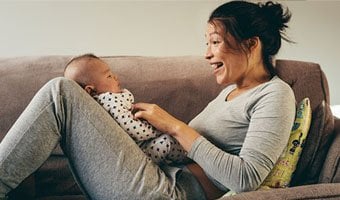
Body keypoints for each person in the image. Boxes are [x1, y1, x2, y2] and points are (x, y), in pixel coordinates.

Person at [0, 1, 296, 199]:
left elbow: (247, 178)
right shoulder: (228, 94)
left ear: (251, 44)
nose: (207, 54)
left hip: (169, 192)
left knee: (60, 93)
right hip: (158, 177)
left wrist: (175, 126)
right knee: (64, 94)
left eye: (215, 42)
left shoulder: (275, 94)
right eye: (206, 44)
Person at [63, 54, 187, 165]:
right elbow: (133, 129)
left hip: (140, 148)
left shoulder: (101, 104)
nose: (115, 77)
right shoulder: (109, 100)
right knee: (168, 141)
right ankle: (189, 155)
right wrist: (160, 129)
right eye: (109, 76)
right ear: (91, 90)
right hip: (139, 155)